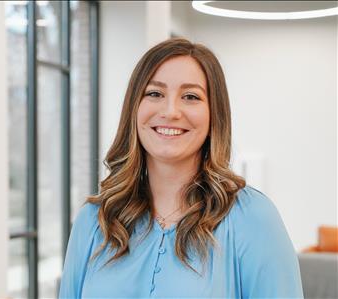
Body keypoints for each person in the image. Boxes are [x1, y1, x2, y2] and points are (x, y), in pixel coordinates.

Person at [59, 38, 303, 298]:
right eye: (155, 93)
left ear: (213, 115)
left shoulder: (252, 218)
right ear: (134, 108)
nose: (171, 111)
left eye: (190, 96)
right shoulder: (94, 220)